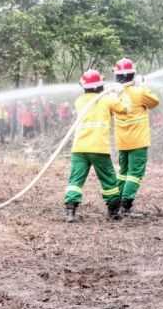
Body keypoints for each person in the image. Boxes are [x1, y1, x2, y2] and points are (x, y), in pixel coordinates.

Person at [63, 69, 127, 223]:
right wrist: (118, 94)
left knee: (75, 180)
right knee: (109, 180)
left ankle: (70, 211)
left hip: (79, 148)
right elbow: (124, 110)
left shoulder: (79, 101)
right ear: (100, 85)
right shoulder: (108, 100)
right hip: (98, 148)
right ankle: (113, 211)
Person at [113, 57, 160, 217]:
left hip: (122, 141)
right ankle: (126, 205)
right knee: (135, 173)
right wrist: (143, 85)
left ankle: (117, 202)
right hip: (138, 141)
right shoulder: (139, 91)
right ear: (133, 74)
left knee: (123, 172)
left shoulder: (114, 94)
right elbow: (155, 102)